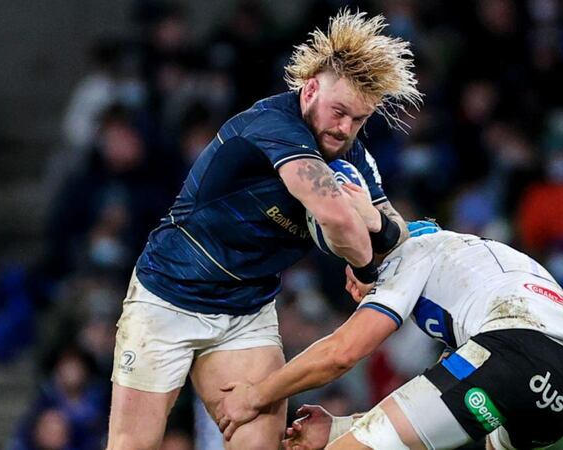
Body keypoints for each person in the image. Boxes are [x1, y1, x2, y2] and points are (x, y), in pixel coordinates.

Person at [106, 9, 421, 450]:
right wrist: (366, 267)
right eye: (339, 112)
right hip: (169, 296)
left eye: (358, 119)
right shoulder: (273, 127)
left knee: (259, 444)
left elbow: (398, 233)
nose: (345, 128)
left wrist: (373, 222)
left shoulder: (352, 156)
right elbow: (334, 215)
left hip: (246, 311)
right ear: (310, 90)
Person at [217, 220, 563, 450]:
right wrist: (339, 428)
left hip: (517, 353)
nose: (351, 286)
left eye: (352, 269)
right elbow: (432, 409)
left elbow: (342, 353)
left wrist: (256, 395)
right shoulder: (471, 265)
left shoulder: (411, 251)